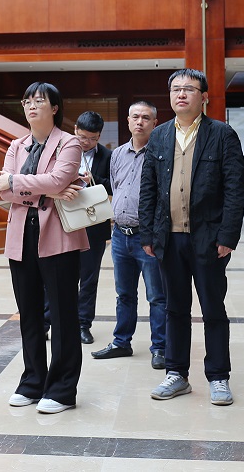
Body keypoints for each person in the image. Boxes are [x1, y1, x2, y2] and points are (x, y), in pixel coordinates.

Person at [139, 68, 244, 405]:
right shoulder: (159, 136)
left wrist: (227, 235)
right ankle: (176, 374)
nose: (181, 94)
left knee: (213, 308)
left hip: (209, 238)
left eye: (189, 88)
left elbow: (235, 189)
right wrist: (147, 233)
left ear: (204, 97)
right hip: (168, 238)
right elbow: (148, 187)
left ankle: (218, 376)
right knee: (174, 308)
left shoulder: (222, 134)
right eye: (176, 89)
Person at [0, 82, 89, 414]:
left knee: (63, 315)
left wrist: (19, 182)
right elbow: (2, 191)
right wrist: (47, 191)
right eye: (27, 101)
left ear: (55, 108)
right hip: (21, 236)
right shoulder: (16, 145)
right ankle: (33, 381)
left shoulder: (69, 142)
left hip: (59, 236)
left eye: (39, 101)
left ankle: (62, 389)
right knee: (30, 313)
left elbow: (56, 180)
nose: (32, 106)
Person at [92, 101, 167, 369]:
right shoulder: (117, 154)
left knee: (156, 296)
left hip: (147, 238)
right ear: (128, 120)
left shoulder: (161, 154)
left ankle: (160, 348)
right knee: (124, 294)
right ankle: (121, 342)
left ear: (154, 123)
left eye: (146, 118)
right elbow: (116, 188)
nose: (140, 122)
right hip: (120, 236)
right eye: (135, 117)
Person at [73, 111, 112, 345]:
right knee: (57, 275)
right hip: (64, 223)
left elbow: (114, 185)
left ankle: (83, 324)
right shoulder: (61, 150)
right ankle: (48, 322)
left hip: (93, 224)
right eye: (83, 137)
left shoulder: (107, 156)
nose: (86, 142)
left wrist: (93, 180)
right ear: (75, 129)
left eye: (92, 138)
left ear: (99, 136)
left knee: (89, 278)